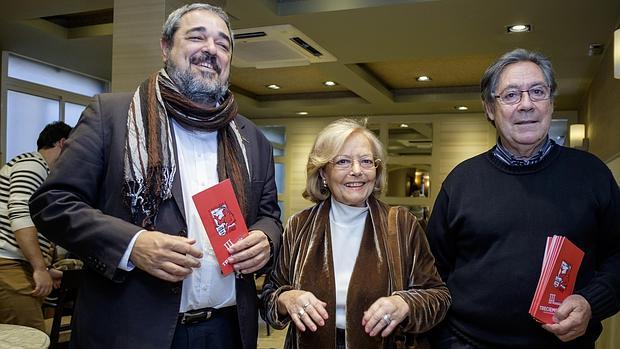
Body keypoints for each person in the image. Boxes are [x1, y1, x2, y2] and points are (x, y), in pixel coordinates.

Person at [29, 3, 282, 349]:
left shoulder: (252, 138)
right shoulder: (111, 117)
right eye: (197, 37)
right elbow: (52, 204)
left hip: (227, 330)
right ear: (165, 48)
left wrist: (266, 239)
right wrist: (133, 246)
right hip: (132, 331)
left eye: (223, 44)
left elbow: (269, 216)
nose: (211, 50)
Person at [426, 48, 620, 348]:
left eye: (537, 92)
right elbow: (431, 271)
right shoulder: (461, 181)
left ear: (552, 103)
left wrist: (591, 303)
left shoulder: (592, 174)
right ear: (490, 108)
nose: (526, 105)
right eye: (512, 95)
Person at [261, 118, 451, 349]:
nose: (357, 171)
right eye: (343, 161)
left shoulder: (402, 224)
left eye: (366, 161)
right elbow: (269, 297)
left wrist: (404, 303)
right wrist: (286, 299)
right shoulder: (299, 226)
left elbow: (439, 297)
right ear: (323, 173)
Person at [0, 121, 72, 331]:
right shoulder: (33, 165)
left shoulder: (40, 170)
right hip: (9, 267)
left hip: (17, 266)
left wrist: (45, 268)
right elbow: (20, 216)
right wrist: (40, 268)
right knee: (31, 338)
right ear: (63, 143)